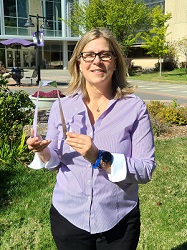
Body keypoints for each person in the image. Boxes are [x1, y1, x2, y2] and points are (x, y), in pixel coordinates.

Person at [26, 28, 156, 250]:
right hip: (69, 216)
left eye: (105, 54)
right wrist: (42, 150)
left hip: (118, 219)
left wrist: (99, 157)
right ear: (78, 62)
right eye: (88, 55)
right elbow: (55, 161)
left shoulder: (134, 108)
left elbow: (146, 170)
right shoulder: (62, 107)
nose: (97, 61)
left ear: (115, 62)